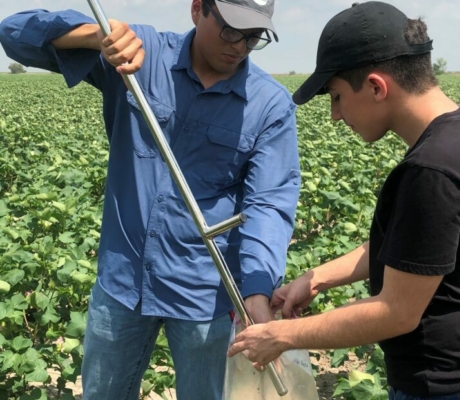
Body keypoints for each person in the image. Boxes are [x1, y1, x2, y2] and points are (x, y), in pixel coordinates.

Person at [0, 1, 301, 399]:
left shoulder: (269, 104)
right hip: (123, 283)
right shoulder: (138, 53)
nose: (240, 45)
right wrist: (95, 36)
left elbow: (269, 204)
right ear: (198, 10)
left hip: (205, 296)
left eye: (254, 36)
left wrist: (258, 291)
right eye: (232, 30)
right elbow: (14, 34)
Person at [227, 1, 460, 398]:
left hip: (448, 386)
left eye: (336, 97)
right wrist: (316, 278)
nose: (335, 116)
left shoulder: (431, 171)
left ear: (375, 86)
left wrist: (282, 335)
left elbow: (396, 312)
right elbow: (412, 252)